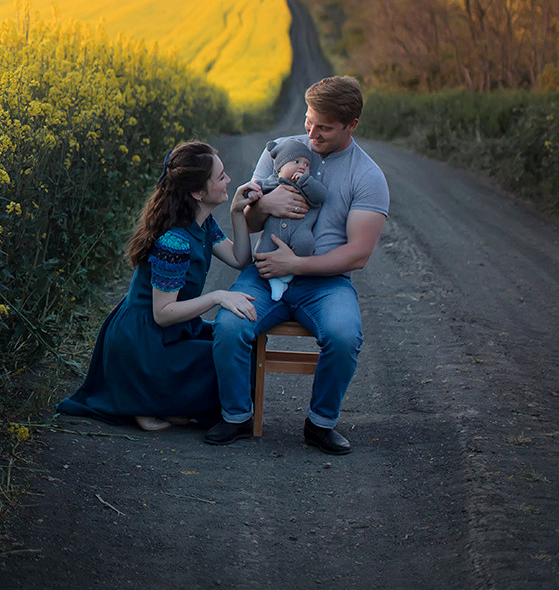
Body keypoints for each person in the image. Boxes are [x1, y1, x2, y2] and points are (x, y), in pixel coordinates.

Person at [204, 76, 390, 455]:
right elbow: (250, 220)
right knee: (227, 324)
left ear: (351, 124)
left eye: (324, 127)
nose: (312, 133)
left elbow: (358, 253)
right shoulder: (281, 151)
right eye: (309, 121)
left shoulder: (368, 176)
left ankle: (320, 424)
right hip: (265, 270)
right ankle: (237, 416)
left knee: (343, 336)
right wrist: (262, 206)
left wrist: (299, 264)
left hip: (325, 282)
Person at [57, 141, 261, 431]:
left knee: (239, 346)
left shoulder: (201, 222)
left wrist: (238, 214)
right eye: (221, 177)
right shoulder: (174, 241)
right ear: (197, 192)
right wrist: (218, 296)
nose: (229, 180)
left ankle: (165, 402)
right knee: (225, 359)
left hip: (171, 332)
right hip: (145, 343)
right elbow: (162, 313)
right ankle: (145, 400)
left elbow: (240, 258)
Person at [253, 139, 326, 301]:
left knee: (305, 244)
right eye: (296, 161)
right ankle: (274, 280)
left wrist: (305, 181)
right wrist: (252, 195)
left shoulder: (307, 185)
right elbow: (255, 191)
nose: (302, 166)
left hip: (300, 229)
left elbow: (320, 196)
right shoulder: (272, 183)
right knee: (261, 253)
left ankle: (290, 274)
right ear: (279, 167)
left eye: (307, 164)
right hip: (274, 234)